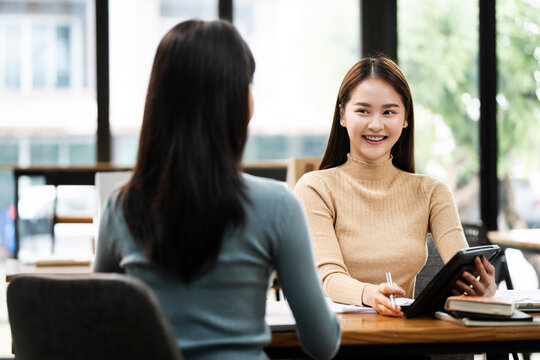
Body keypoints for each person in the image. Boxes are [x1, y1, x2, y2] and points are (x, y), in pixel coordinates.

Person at [93, 19, 340, 360]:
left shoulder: (120, 207)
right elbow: (322, 344)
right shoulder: (278, 205)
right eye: (248, 83)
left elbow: (97, 326)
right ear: (238, 101)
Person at [294, 54, 496, 318]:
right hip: (337, 340)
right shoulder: (315, 188)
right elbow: (328, 278)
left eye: (389, 111)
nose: (376, 124)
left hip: (403, 337)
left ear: (405, 118)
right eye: (363, 110)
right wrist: (369, 295)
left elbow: (461, 266)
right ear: (342, 115)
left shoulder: (432, 192)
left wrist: (482, 286)